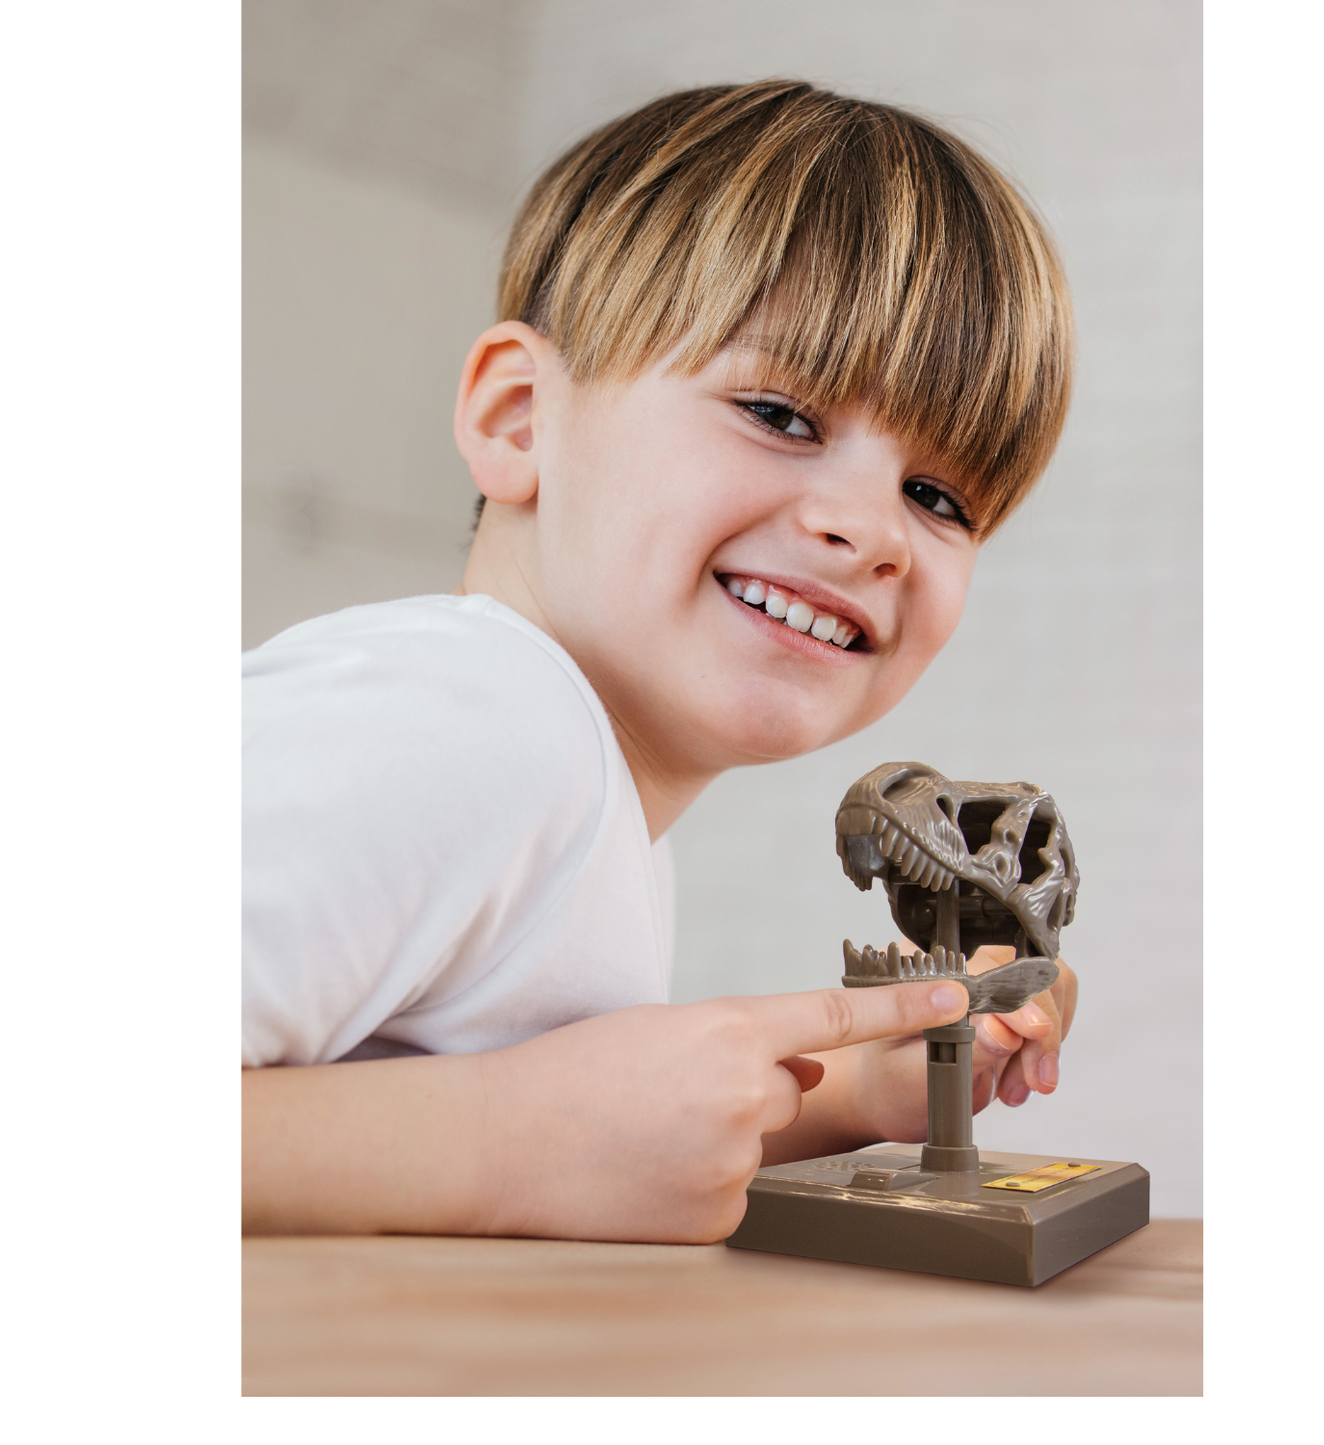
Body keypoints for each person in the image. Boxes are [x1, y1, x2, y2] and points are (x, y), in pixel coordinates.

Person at [242, 80, 1079, 1242]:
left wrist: (859, 1090)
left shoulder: (585, 799)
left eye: (937, 497)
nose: (871, 531)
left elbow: (580, 1141)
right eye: (780, 414)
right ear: (520, 417)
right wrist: (506, 1142)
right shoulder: (474, 722)